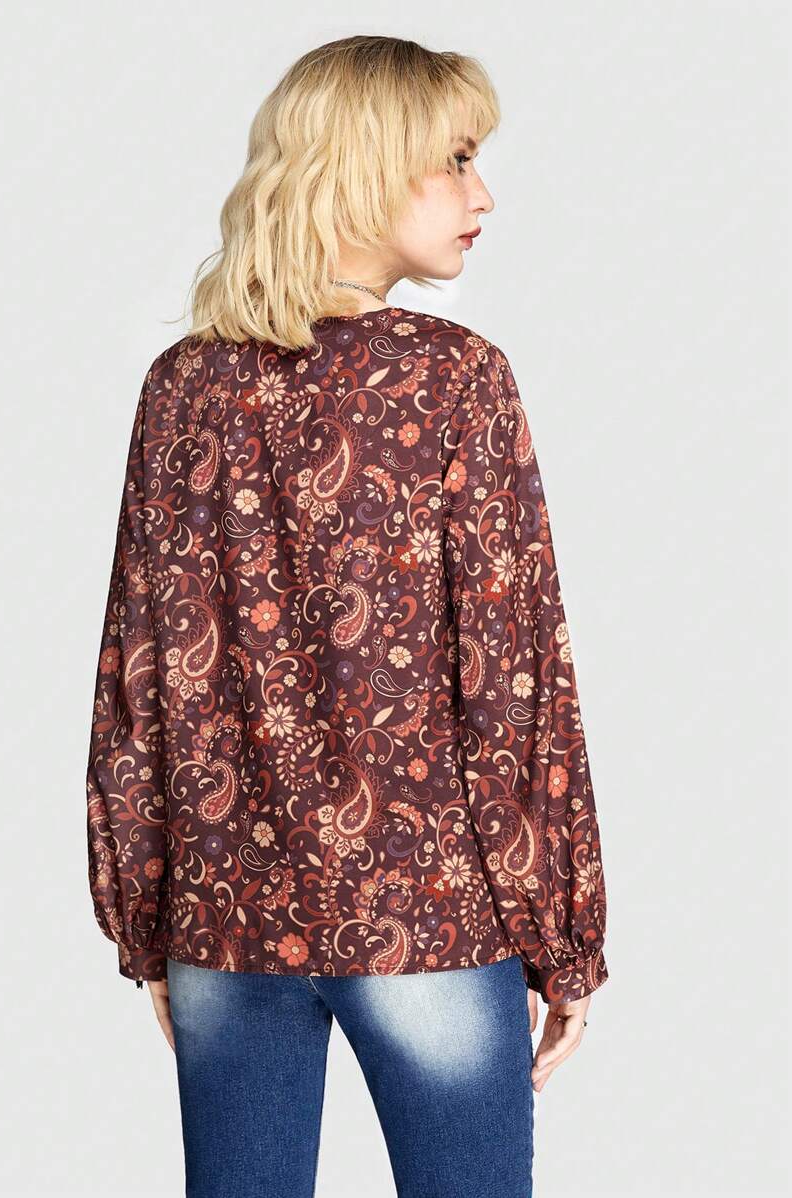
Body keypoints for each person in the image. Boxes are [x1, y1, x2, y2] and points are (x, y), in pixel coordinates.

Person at [85, 34, 609, 1198]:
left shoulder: (182, 390)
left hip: (225, 916)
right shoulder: (456, 379)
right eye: (455, 159)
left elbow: (138, 682)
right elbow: (514, 679)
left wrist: (150, 918)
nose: (483, 194)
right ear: (366, 165)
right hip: (425, 913)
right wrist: (564, 931)